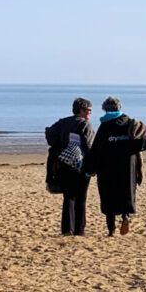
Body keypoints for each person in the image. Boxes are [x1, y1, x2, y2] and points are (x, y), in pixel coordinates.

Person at [83, 96, 146, 236]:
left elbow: (96, 149)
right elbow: (143, 145)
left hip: (108, 168)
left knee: (109, 197)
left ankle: (111, 230)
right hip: (128, 166)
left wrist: (89, 169)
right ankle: (125, 216)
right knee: (126, 193)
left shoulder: (105, 126)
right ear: (119, 108)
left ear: (105, 109)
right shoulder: (131, 123)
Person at [45, 97, 95, 236]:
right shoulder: (86, 125)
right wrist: (92, 166)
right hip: (80, 165)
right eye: (88, 110)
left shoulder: (63, 122)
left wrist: (61, 145)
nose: (90, 113)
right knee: (81, 197)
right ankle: (79, 229)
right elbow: (89, 146)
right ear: (81, 110)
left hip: (62, 162)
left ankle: (67, 229)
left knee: (68, 196)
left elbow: (50, 135)